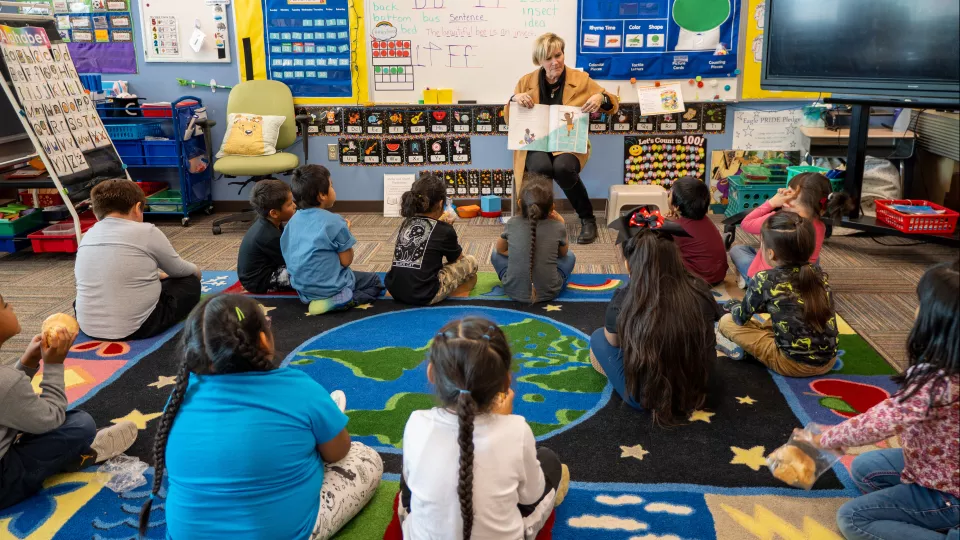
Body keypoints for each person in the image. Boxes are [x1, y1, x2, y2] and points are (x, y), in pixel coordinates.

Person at [137, 294, 383, 539]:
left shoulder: (181, 394)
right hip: (282, 532)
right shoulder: (298, 388)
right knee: (365, 457)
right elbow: (338, 452)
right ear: (264, 341)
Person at [805, 261, 959, 540]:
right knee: (865, 470)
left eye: (920, 302)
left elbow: (879, 422)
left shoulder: (938, 383)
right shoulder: (945, 371)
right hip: (939, 468)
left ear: (937, 321)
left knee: (853, 519)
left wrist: (822, 440)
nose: (915, 309)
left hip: (948, 492)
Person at [400, 318, 569, 540]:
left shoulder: (416, 422)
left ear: (431, 373)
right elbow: (530, 496)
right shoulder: (517, 430)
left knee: (408, 476)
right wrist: (503, 422)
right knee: (549, 461)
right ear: (505, 383)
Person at [0, 295, 137, 510]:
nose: (12, 306)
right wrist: (54, 365)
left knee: (22, 416)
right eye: (5, 305)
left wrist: (28, 363)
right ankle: (75, 456)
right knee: (80, 424)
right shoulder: (5, 381)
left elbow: (6, 396)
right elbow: (52, 418)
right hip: (5, 484)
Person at [589, 207, 721, 421]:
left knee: (598, 338)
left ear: (628, 264)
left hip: (645, 396)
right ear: (675, 257)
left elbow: (613, 342)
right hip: (702, 388)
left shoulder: (623, 299)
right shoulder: (700, 288)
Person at [506, 32, 620, 245]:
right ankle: (541, 220)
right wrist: (514, 99)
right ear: (539, 60)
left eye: (558, 55)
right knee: (539, 166)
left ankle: (588, 219)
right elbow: (509, 118)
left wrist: (600, 97)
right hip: (536, 142)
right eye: (548, 58)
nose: (555, 61)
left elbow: (612, 103)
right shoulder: (525, 82)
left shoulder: (581, 80)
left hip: (568, 143)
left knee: (562, 168)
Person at [75, 179, 201, 341]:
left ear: (96, 212)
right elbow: (178, 270)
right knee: (189, 281)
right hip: (139, 327)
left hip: (88, 325)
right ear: (137, 208)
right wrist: (196, 271)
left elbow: (112, 273)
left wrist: (156, 276)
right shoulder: (146, 231)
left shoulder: (87, 235)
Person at [719, 212, 838, 377]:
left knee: (726, 322)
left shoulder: (764, 279)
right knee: (780, 316)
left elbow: (741, 317)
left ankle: (750, 351)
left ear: (770, 254)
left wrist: (734, 306)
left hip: (792, 365)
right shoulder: (817, 274)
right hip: (828, 361)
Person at [281, 165, 384, 314]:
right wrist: (346, 232)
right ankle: (343, 300)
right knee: (374, 282)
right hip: (331, 286)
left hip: (303, 289)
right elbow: (346, 261)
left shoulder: (292, 221)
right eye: (331, 186)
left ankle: (319, 299)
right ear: (322, 195)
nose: (333, 189)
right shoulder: (335, 222)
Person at [729, 172, 852, 288]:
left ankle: (747, 279)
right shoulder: (820, 227)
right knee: (813, 258)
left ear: (788, 203)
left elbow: (746, 223)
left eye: (788, 194)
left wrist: (772, 203)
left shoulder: (776, 219)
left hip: (764, 283)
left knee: (737, 250)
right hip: (797, 283)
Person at [385, 174, 478, 305]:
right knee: (471, 261)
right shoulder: (445, 230)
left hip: (395, 289)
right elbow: (457, 259)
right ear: (441, 204)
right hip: (424, 294)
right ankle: (459, 292)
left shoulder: (406, 222)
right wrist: (448, 229)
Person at [491, 173, 576, 303]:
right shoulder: (558, 226)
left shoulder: (512, 223)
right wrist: (561, 223)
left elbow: (500, 250)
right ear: (552, 207)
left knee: (494, 255)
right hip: (549, 292)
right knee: (570, 256)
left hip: (512, 290)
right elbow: (562, 254)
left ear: (520, 204)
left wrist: (519, 254)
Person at [238, 179, 297, 293]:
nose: (294, 205)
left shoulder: (270, 223)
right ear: (274, 213)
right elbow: (291, 260)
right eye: (289, 204)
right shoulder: (269, 236)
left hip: (270, 267)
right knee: (309, 272)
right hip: (258, 281)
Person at [667, 176, 728, 286]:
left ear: (676, 206)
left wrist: (667, 225)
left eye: (670, 193)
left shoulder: (677, 228)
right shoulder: (706, 220)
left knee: (663, 251)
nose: (668, 194)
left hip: (699, 281)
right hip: (718, 276)